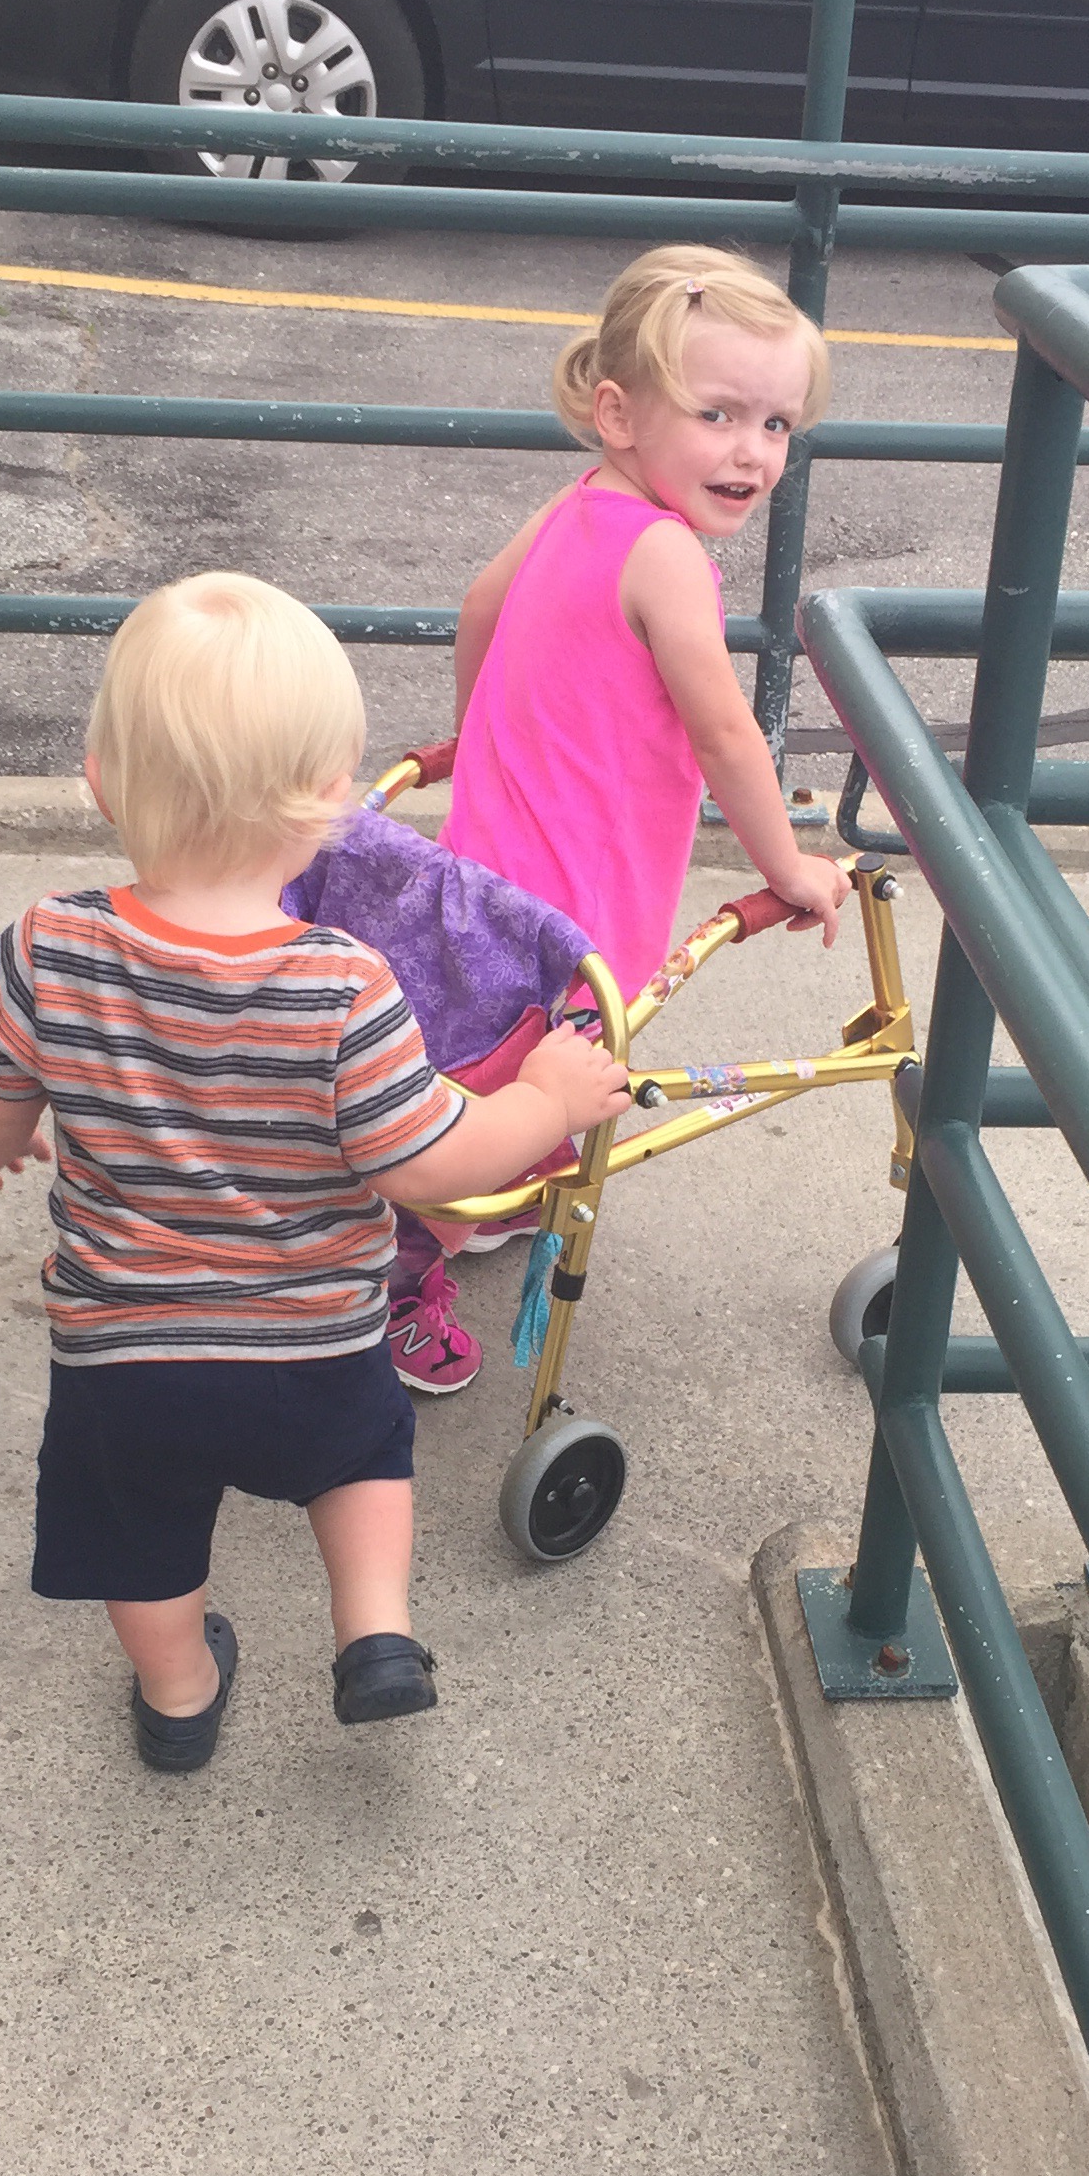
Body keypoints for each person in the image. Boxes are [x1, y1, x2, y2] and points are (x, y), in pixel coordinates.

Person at [0, 571, 629, 1774]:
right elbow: (432, 1166)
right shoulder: (345, 986)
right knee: (362, 1464)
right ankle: (374, 1632)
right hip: (311, 1345)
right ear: (332, 803)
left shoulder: (47, 946)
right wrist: (545, 1100)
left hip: (125, 1358)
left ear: (101, 780)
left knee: (143, 1537)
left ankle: (178, 1696)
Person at [382, 244, 851, 1395]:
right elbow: (726, 733)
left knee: (484, 1063)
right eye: (718, 413)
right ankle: (392, 1279)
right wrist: (789, 867)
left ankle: (490, 1181)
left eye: (777, 424)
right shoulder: (667, 554)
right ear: (620, 413)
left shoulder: (584, 500)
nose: (752, 451)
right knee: (538, 1071)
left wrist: (482, 746)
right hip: (570, 908)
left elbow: (480, 607)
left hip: (486, 865)